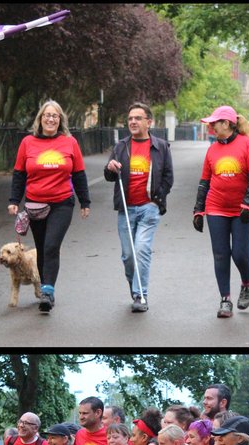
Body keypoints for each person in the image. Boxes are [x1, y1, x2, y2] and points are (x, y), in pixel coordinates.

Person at [7, 100, 91, 312]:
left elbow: (79, 173)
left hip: (62, 202)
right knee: (43, 247)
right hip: (35, 203)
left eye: (55, 115)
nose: (51, 119)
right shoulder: (28, 142)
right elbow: (19, 174)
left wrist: (85, 201)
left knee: (52, 245)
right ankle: (46, 288)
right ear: (40, 119)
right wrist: (14, 201)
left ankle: (47, 291)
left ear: (60, 119)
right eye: (47, 115)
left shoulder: (70, 143)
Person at [104, 102, 174, 313]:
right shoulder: (121, 147)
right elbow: (109, 176)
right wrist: (110, 167)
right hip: (125, 208)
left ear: (148, 122)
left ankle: (140, 294)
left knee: (142, 249)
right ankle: (135, 287)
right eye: (130, 119)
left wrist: (156, 200)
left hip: (148, 208)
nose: (133, 122)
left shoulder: (160, 146)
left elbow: (168, 177)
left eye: (138, 118)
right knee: (128, 255)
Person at [193, 105, 249, 318]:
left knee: (240, 254)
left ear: (227, 124)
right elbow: (204, 181)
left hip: (242, 210)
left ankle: (247, 283)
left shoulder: (247, 144)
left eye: (214, 123)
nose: (210, 127)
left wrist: (248, 204)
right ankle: (225, 300)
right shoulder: (212, 149)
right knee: (220, 254)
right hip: (216, 207)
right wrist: (198, 210)